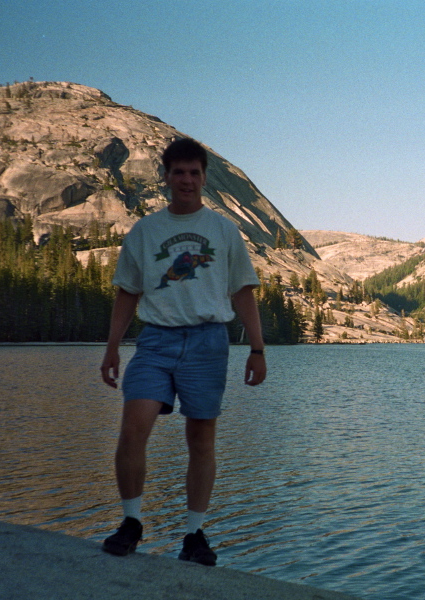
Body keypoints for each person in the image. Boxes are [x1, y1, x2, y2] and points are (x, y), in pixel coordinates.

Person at [99, 138, 266, 566]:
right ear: (166, 177)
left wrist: (257, 348)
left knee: (201, 440)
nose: (187, 180)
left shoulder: (224, 230)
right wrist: (113, 347)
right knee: (134, 427)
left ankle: (193, 534)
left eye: (194, 172)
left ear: (205, 178)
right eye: (179, 172)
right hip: (155, 340)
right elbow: (127, 293)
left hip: (208, 343)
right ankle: (132, 522)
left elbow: (243, 292)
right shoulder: (145, 231)